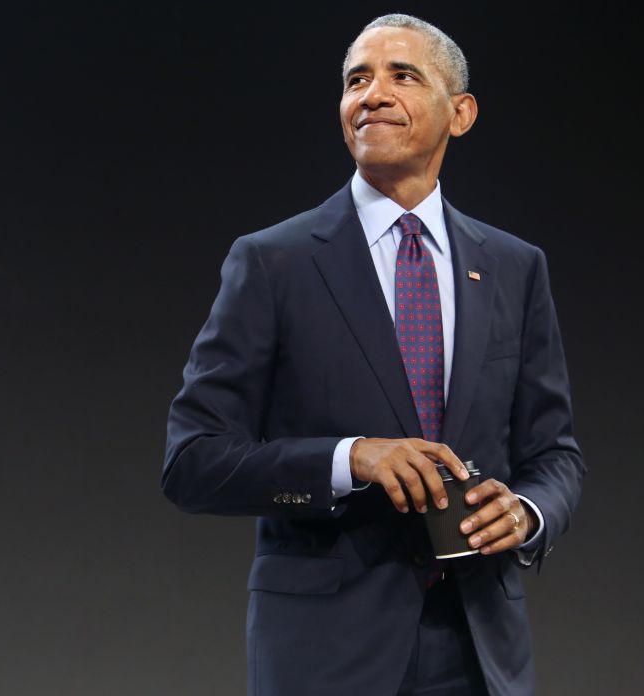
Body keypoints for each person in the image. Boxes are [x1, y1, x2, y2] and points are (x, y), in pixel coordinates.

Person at [162, 13, 585, 696]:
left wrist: (529, 512)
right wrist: (347, 457)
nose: (372, 94)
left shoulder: (513, 267)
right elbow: (191, 461)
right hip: (327, 652)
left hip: (479, 650)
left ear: (461, 113)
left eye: (402, 76)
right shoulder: (275, 262)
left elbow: (555, 453)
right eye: (356, 79)